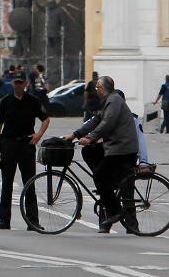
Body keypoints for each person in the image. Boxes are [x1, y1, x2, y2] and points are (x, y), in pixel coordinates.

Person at [63, 75, 138, 233]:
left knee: (99, 176)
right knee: (89, 151)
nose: (96, 89)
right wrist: (75, 135)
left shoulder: (115, 100)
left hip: (122, 149)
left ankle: (115, 211)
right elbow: (94, 121)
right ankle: (108, 183)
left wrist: (90, 137)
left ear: (103, 89)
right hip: (114, 146)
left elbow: (107, 123)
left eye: (97, 87)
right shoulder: (106, 103)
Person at [0, 76, 49, 230]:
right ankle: (4, 220)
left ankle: (33, 221)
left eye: (20, 83)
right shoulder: (5, 102)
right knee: (7, 184)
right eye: (15, 82)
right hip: (8, 143)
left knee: (29, 183)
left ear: (26, 84)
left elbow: (45, 119)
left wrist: (39, 134)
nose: (18, 85)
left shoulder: (33, 100)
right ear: (12, 84)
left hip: (26, 144)